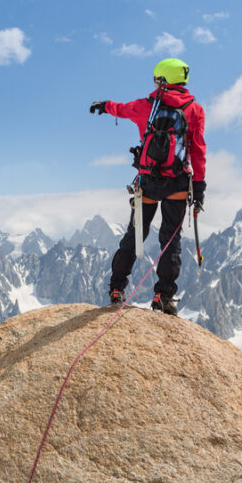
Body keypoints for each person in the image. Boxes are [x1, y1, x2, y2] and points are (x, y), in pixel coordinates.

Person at [90, 58, 206, 316]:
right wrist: (199, 186)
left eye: (156, 78)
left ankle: (117, 288)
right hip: (177, 181)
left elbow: (121, 109)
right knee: (170, 240)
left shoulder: (146, 106)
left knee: (135, 234)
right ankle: (163, 296)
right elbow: (197, 150)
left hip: (148, 181)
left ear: (162, 80)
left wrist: (104, 106)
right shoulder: (194, 110)